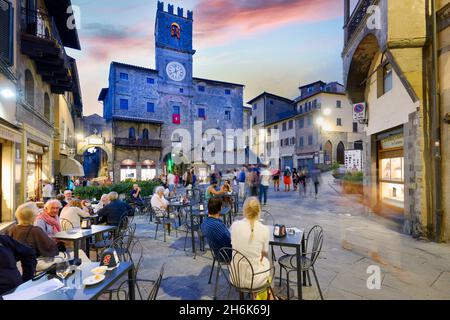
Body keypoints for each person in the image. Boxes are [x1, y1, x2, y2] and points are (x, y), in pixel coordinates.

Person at [230, 197, 271, 290]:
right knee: (267, 261)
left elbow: (234, 246)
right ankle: (267, 295)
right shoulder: (264, 230)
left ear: (244, 210)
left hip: (235, 276)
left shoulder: (235, 226)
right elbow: (264, 254)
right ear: (259, 211)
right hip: (254, 280)